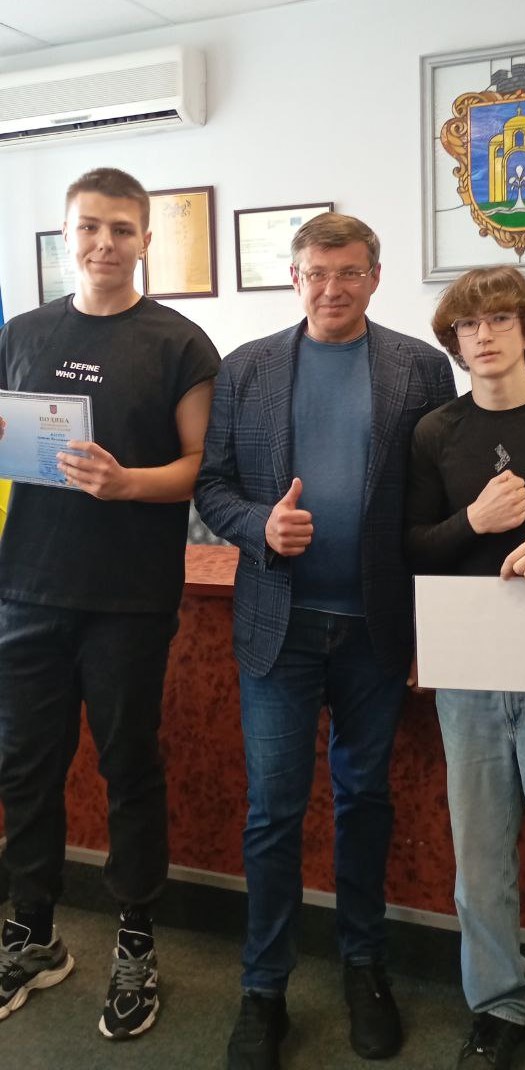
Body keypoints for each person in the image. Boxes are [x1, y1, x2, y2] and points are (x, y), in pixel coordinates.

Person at [194, 212, 455, 1069]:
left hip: (376, 626)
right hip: (281, 626)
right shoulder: (247, 368)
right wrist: (259, 528)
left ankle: (363, 967)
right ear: (294, 277)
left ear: (374, 276)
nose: (331, 288)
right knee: (274, 811)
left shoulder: (419, 367)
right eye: (316, 271)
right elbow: (213, 486)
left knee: (363, 801)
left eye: (348, 272)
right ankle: (262, 990)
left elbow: (435, 495)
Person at [0, 167, 220, 1038]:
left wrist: (128, 483)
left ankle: (135, 940)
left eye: (121, 229)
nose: (103, 243)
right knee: (26, 769)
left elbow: (200, 467)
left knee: (127, 768)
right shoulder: (23, 332)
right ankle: (34, 934)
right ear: (65, 234)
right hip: (26, 588)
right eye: (88, 227)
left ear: (144, 239)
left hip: (128, 597)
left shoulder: (178, 343)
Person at [406, 266, 525, 1070]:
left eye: (499, 320)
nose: (482, 335)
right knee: (479, 866)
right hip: (468, 670)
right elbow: (412, 546)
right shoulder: (434, 433)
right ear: (454, 340)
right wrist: (472, 521)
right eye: (467, 325)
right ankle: (498, 1003)